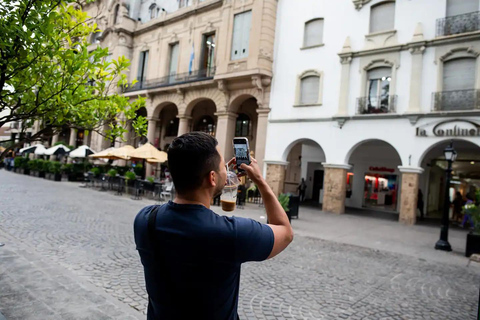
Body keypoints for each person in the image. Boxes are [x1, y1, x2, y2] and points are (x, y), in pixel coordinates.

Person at [134, 132, 293, 320]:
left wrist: (218, 170)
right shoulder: (230, 234)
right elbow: (285, 231)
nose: (226, 170)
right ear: (212, 178)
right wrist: (259, 180)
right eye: (222, 166)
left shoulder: (145, 220)